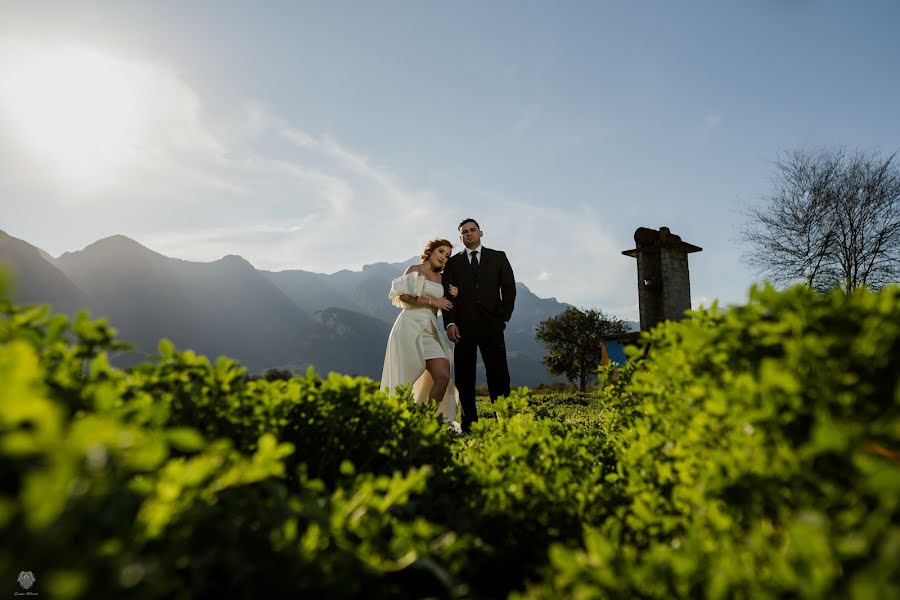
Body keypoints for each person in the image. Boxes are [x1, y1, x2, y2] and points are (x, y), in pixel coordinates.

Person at [442, 218, 516, 434]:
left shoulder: (498, 257)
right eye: (464, 232)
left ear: (481, 233)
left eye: (472, 230)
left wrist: (502, 317)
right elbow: (447, 296)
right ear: (460, 237)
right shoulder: (453, 263)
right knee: (465, 377)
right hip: (463, 328)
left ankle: (506, 424)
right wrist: (450, 323)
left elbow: (509, 290)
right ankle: (469, 426)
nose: (469, 234)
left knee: (499, 376)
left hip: (492, 326)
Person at [380, 238, 461, 427]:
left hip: (430, 329)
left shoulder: (442, 278)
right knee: (404, 377)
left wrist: (456, 295)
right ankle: (393, 420)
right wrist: (433, 302)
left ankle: (423, 420)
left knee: (443, 375)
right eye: (441, 252)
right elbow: (404, 296)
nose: (444, 257)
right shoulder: (414, 270)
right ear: (431, 250)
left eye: (447, 255)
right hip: (409, 326)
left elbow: (448, 304)